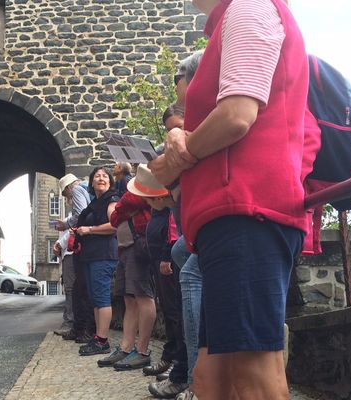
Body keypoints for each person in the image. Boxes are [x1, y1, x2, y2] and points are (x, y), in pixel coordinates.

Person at [149, 0, 311, 398]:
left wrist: (175, 162)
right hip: (230, 214)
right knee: (213, 374)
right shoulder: (232, 18)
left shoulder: (249, 7)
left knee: (250, 370)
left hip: (247, 209)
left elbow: (237, 114)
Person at [149, 52, 205, 400]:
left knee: (186, 263)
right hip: (196, 231)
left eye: (178, 79)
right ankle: (189, 372)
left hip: (216, 228)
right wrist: (169, 195)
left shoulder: (205, 122)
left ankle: (193, 376)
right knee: (183, 254)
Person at [97, 175, 153, 370]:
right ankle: (126, 347)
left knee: (143, 296)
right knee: (129, 298)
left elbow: (133, 200)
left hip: (138, 244)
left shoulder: (145, 180)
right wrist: (123, 210)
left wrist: (122, 208)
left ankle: (143, 350)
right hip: (126, 247)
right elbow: (114, 218)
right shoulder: (135, 183)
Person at [74, 166, 119, 356]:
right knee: (95, 298)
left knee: (101, 297)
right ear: (91, 182)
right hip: (91, 255)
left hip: (104, 254)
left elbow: (114, 225)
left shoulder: (112, 200)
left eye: (105, 176)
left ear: (110, 181)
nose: (101, 179)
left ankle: (102, 340)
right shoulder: (95, 203)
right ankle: (98, 337)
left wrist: (89, 230)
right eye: (97, 176)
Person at [55, 173, 95, 343]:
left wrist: (65, 225)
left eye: (65, 194)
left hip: (80, 246)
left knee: (78, 289)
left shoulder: (78, 190)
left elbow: (79, 217)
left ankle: (80, 327)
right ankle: (80, 327)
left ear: (68, 188)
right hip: (84, 245)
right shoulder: (86, 190)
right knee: (80, 288)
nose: (67, 197)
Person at [52, 211, 75, 336]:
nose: (67, 200)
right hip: (67, 254)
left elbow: (72, 230)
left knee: (70, 289)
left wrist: (58, 244)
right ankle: (70, 322)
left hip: (71, 253)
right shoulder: (70, 215)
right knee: (70, 289)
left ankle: (70, 323)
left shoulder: (75, 214)